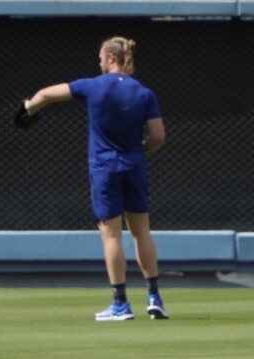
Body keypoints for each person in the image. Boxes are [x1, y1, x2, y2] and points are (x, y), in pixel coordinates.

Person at [23, 36, 169, 321]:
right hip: (134, 165)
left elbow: (45, 95)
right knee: (142, 232)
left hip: (104, 168)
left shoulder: (92, 85)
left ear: (111, 58)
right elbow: (158, 137)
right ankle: (154, 297)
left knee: (111, 234)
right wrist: (140, 152)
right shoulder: (144, 93)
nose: (99, 62)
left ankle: (120, 303)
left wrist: (28, 107)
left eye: (101, 58)